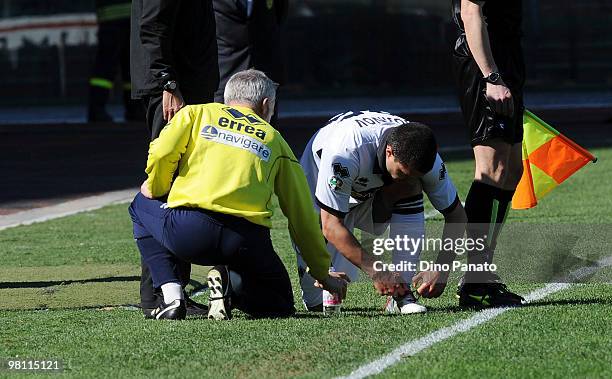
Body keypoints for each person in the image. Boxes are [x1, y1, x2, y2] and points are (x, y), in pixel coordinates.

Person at [128, 70, 348, 320]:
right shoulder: (276, 140)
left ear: (227, 98)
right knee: (279, 305)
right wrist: (322, 273)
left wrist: (156, 187)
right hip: (246, 242)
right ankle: (231, 288)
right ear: (266, 105)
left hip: (190, 232)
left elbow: (162, 152)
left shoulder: (195, 113)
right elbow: (302, 217)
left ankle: (172, 294)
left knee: (139, 205)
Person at [295, 110, 467, 314]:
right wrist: (377, 272)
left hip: (370, 195)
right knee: (319, 303)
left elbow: (457, 215)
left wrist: (442, 268)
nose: (406, 176)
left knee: (409, 187)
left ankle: (402, 294)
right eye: (402, 171)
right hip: (321, 199)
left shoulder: (427, 158)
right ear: (389, 152)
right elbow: (330, 225)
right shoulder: (345, 151)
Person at [130, 0, 220, 317]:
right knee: (165, 182)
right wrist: (167, 82)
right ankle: (159, 294)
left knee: (183, 184)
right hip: (173, 89)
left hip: (188, 84)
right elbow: (152, 25)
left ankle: (173, 291)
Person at [435, 0, 526, 307]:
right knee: (491, 169)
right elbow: (470, 11)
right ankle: (475, 279)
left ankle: (483, 269)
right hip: (484, 62)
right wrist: (491, 77)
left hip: (506, 56)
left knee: (513, 169)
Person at [213, 0, 288, 124]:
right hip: (225, 72)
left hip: (265, 71)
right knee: (221, 128)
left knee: (265, 130)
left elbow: (279, 16)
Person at [88, 0, 142, 122]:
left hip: (109, 17)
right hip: (133, 15)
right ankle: (135, 109)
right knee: (131, 66)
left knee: (106, 66)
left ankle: (97, 110)